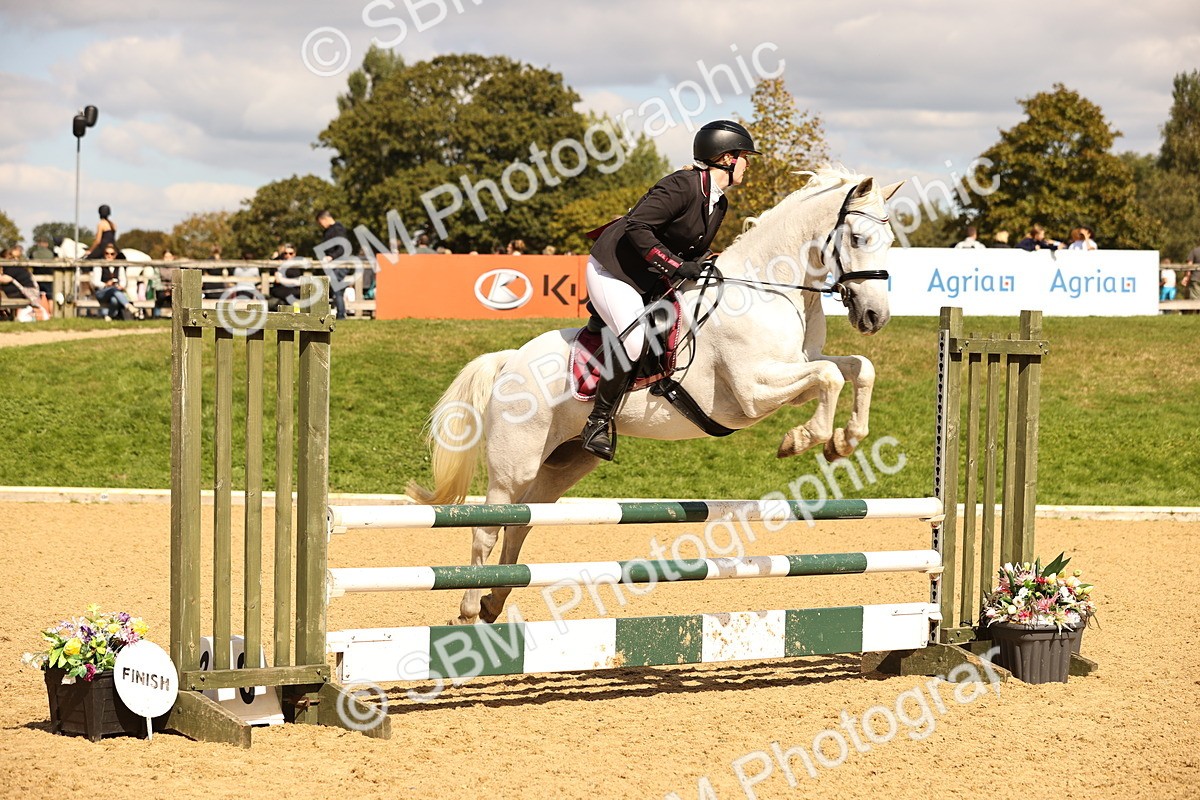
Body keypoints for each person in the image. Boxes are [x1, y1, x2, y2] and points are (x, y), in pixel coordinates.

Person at [579, 119, 758, 460]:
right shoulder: (682, 185)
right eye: (745, 157)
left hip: (647, 275)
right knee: (633, 338)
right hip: (614, 270)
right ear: (727, 158)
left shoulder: (718, 203)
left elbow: (692, 248)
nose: (748, 165)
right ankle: (598, 421)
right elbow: (637, 225)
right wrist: (676, 267)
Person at [315, 210, 351, 319]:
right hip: (334, 264)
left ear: (324, 219)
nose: (320, 225)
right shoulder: (329, 231)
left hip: (340, 264)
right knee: (336, 289)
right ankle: (340, 313)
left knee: (337, 289)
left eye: (320, 222)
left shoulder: (337, 229)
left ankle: (341, 315)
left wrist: (331, 257)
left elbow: (342, 248)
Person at [90, 244, 141, 320]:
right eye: (107, 253)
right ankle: (128, 306)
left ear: (115, 255)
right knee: (113, 290)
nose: (109, 256)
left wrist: (121, 286)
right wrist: (106, 284)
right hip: (101, 292)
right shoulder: (99, 265)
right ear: (104, 254)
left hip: (115, 291)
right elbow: (95, 282)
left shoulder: (119, 266)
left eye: (112, 254)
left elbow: (123, 281)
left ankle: (109, 316)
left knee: (114, 299)